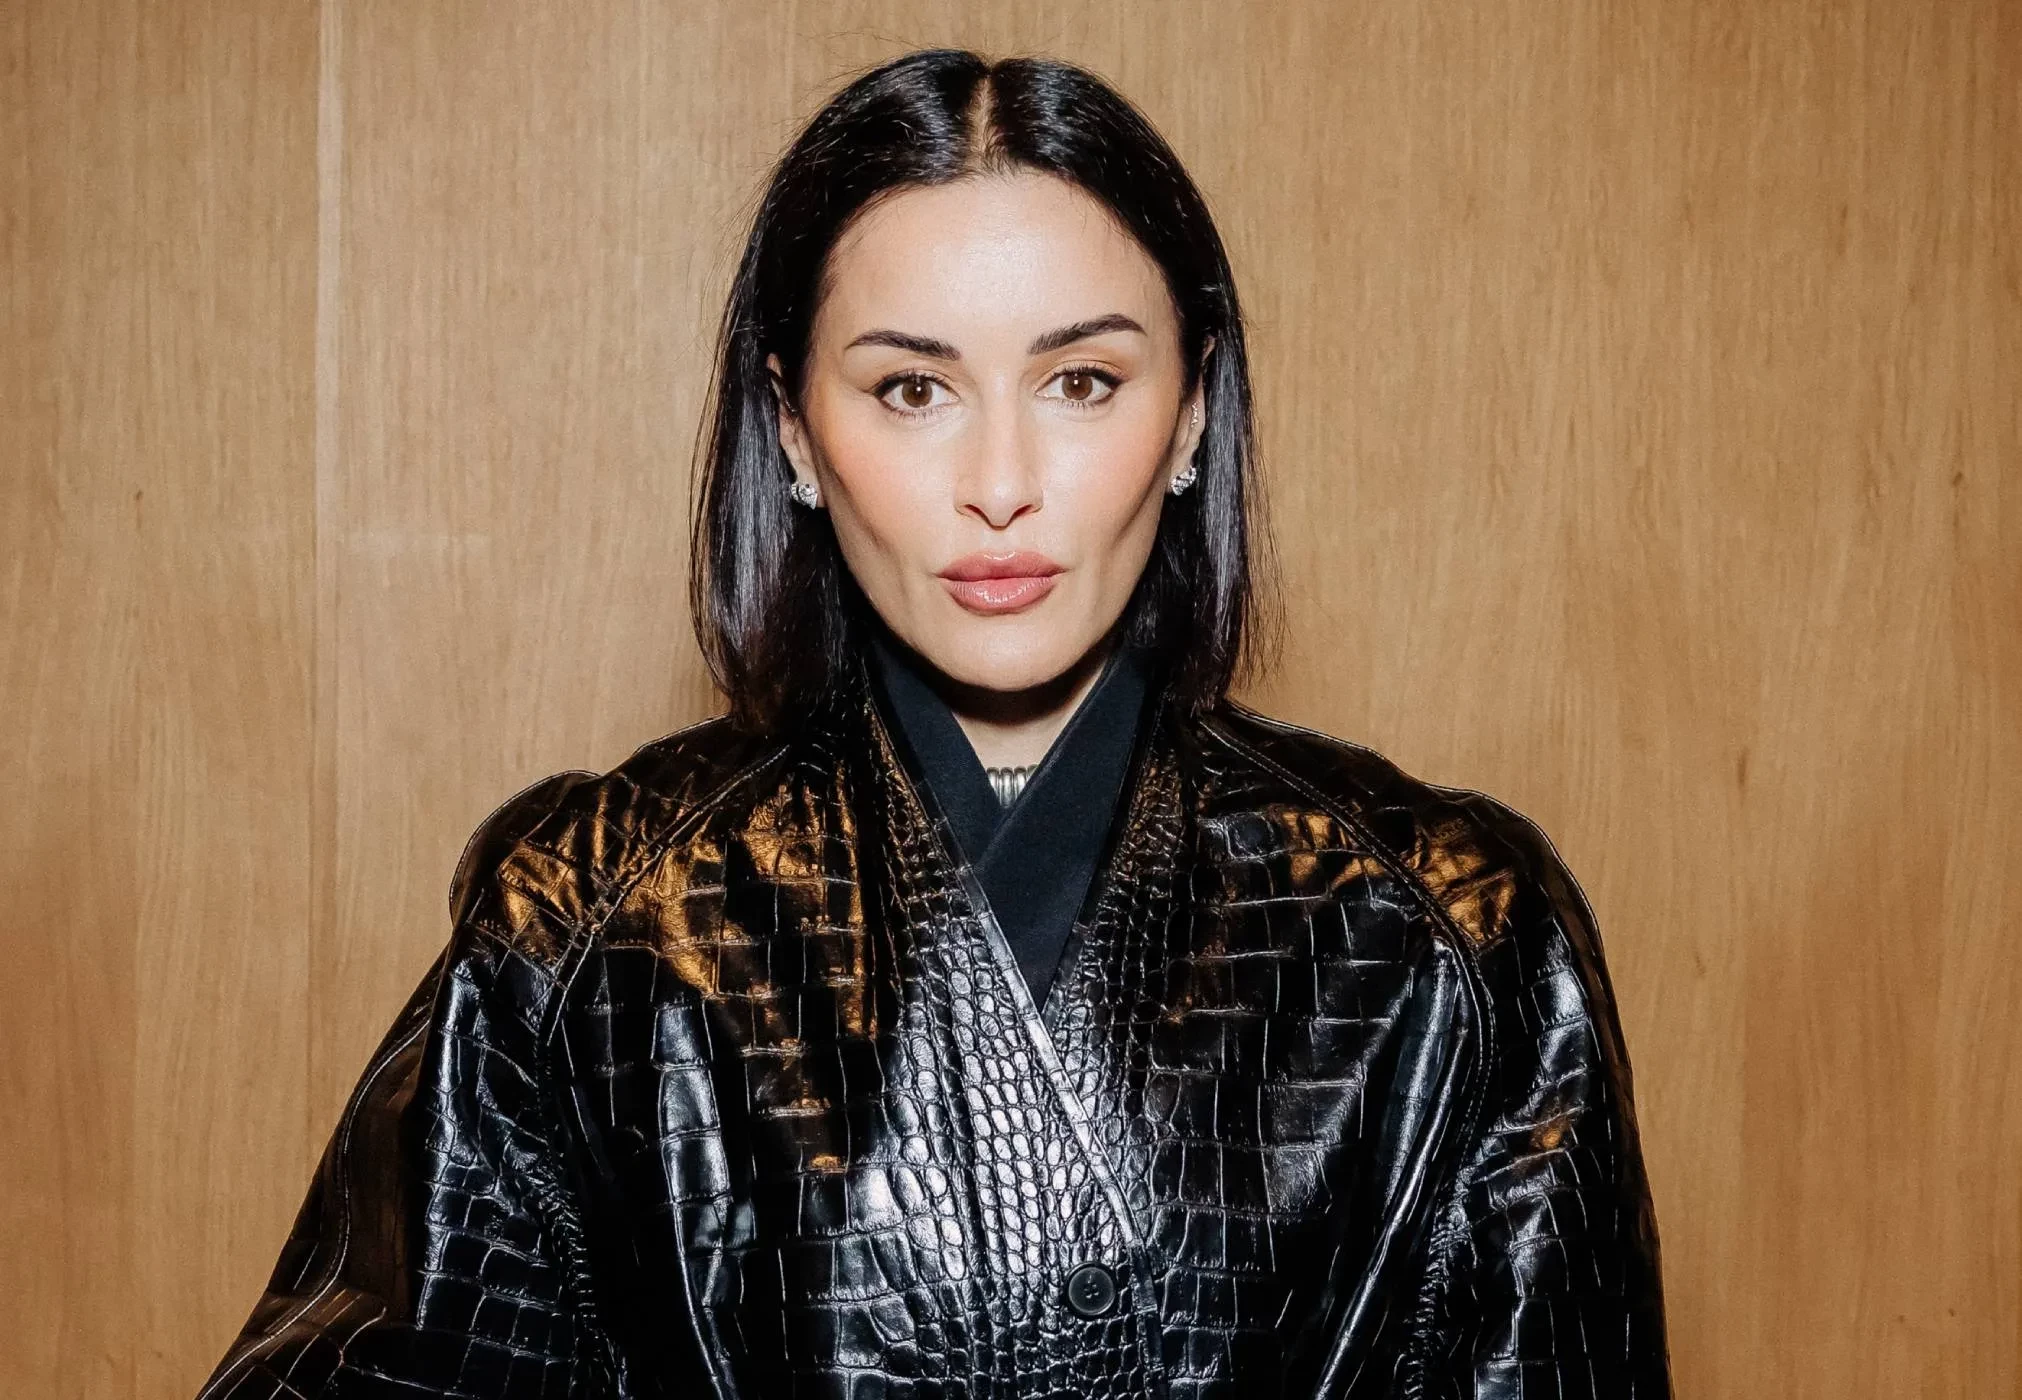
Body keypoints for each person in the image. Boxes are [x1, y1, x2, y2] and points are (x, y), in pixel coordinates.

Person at [198, 48, 1668, 1400]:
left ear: (1192, 412)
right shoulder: (590, 922)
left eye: (1082, 381)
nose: (1001, 483)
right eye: (912, 389)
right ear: (792, 426)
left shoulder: (1453, 932)